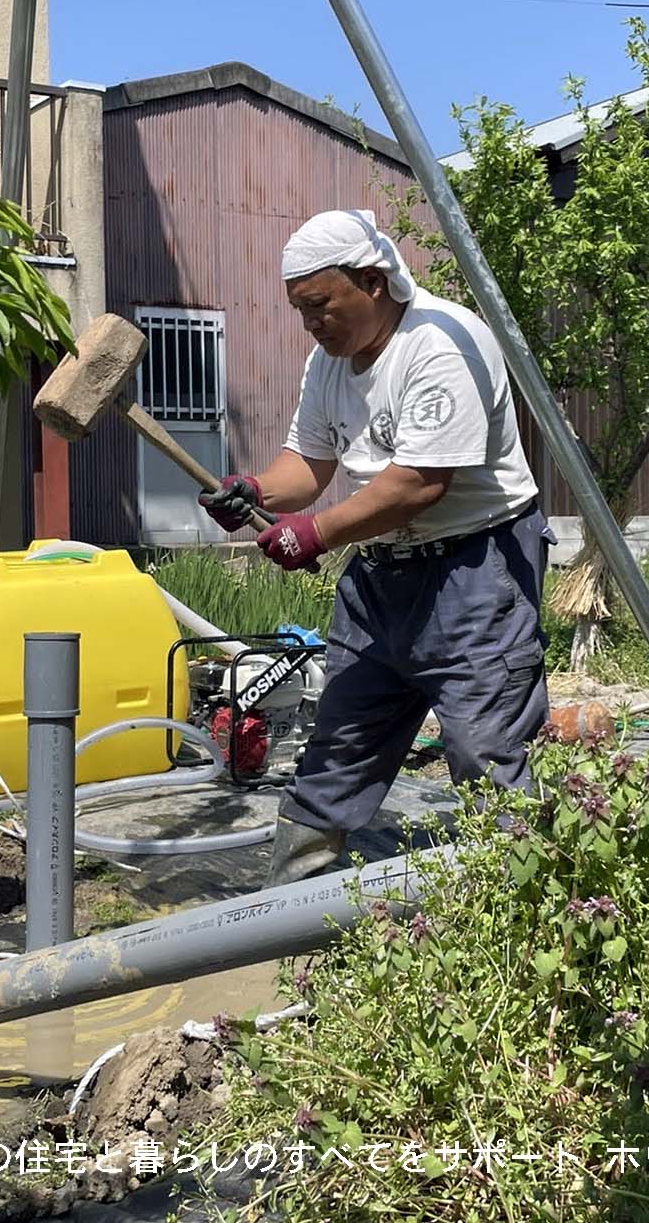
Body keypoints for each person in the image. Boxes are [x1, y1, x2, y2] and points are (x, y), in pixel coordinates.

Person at [199, 209, 555, 887]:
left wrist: (317, 533)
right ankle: (286, 919)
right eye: (300, 311)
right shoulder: (328, 363)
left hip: (476, 571)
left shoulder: (442, 342)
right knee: (337, 746)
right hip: (382, 577)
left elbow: (420, 483)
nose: (311, 324)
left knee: (486, 751)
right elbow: (308, 463)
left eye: (320, 306)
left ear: (372, 280)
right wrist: (254, 489)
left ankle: (525, 919)